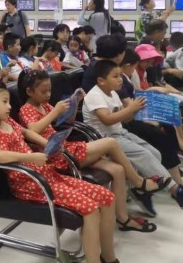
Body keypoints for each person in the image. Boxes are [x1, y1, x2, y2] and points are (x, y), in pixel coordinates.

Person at [0, 82, 124, 263]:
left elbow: (27, 133)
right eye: (5, 101)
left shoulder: (8, 122)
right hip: (32, 184)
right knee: (90, 209)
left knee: (107, 197)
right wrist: (31, 157)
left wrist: (50, 144)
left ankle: (108, 257)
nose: (10, 106)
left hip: (47, 175)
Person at [18, 70, 161, 233]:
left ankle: (123, 219)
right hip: (57, 156)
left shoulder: (44, 106)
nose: (48, 95)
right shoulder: (26, 109)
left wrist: (75, 104)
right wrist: (55, 111)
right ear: (29, 91)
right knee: (111, 143)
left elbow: (66, 123)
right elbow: (33, 130)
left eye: (50, 90)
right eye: (44, 92)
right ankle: (139, 182)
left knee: (118, 170)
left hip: (66, 148)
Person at [82, 60, 183, 215]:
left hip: (120, 133)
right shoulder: (94, 95)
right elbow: (107, 119)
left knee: (155, 153)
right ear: (101, 80)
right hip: (104, 139)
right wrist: (130, 108)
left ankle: (140, 189)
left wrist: (136, 110)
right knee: (144, 155)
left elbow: (125, 119)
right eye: (115, 76)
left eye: (120, 75)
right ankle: (175, 190)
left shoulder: (113, 93)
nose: (120, 79)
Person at [119, 49, 183, 206]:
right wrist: (149, 118)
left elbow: (135, 97)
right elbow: (129, 105)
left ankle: (173, 168)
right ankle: (173, 181)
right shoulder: (122, 79)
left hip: (133, 114)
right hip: (128, 120)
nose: (151, 64)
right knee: (160, 134)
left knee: (168, 125)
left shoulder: (130, 76)